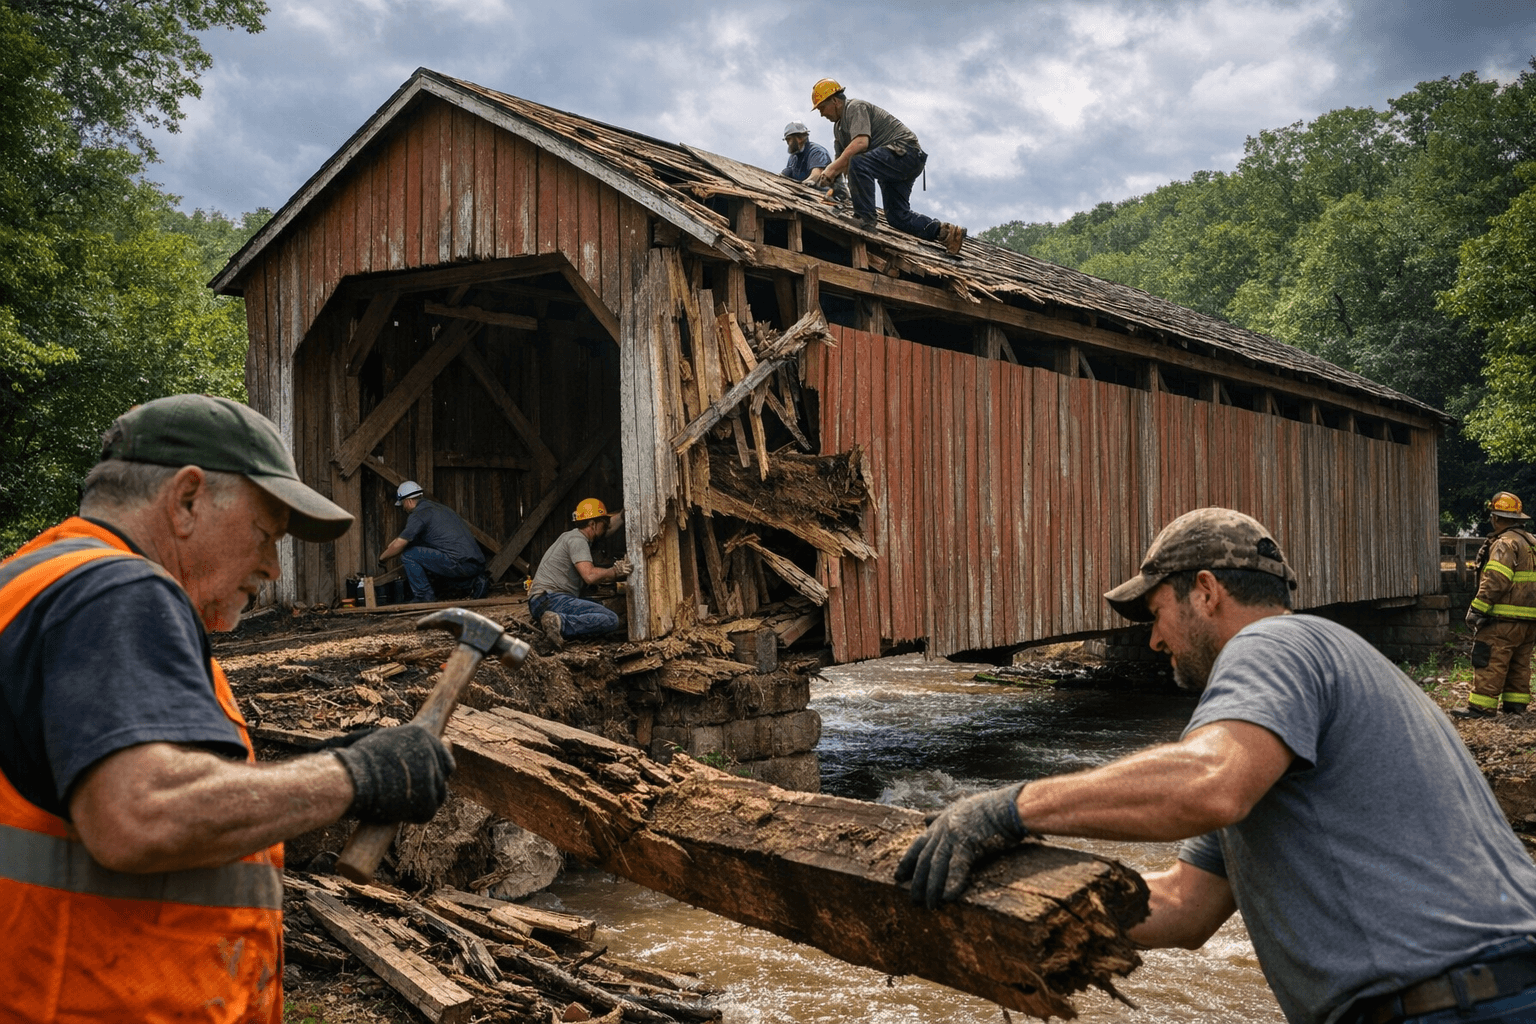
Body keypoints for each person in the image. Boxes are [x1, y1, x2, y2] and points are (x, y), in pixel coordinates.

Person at [898, 507, 1536, 1024]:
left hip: (1463, 1001)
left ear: (1205, 591)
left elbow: (1208, 784)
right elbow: (1186, 908)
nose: (1152, 639)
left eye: (1155, 614)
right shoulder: (1295, 710)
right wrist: (1017, 913)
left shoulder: (1274, 643)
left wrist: (1005, 810)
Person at [0, 394, 455, 1022]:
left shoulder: (34, 587)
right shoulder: (120, 590)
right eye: (264, 534)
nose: (271, 567)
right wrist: (354, 778)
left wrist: (313, 771)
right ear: (187, 500)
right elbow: (141, 813)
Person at [805, 77, 967, 256]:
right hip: (893, 163)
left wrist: (831, 170)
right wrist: (832, 185)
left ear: (835, 101)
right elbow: (841, 163)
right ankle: (945, 233)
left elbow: (860, 144)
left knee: (858, 161)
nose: (821, 114)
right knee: (897, 217)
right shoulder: (839, 129)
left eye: (822, 108)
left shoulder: (855, 108)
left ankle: (864, 218)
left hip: (906, 153)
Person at [1457, 491, 1536, 719]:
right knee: (1519, 664)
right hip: (1529, 621)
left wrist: (1478, 608)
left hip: (1503, 618)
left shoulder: (1505, 543)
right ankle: (1515, 706)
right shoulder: (1531, 542)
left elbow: (1496, 579)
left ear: (1497, 518)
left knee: (1490, 659)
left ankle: (1480, 707)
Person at [528, 497, 630, 647]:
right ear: (592, 524)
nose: (606, 528)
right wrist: (615, 572)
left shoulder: (573, 536)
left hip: (543, 600)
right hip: (551, 600)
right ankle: (559, 622)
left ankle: (555, 620)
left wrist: (622, 516)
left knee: (601, 608)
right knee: (610, 619)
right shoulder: (578, 541)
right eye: (603, 524)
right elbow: (589, 576)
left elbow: (608, 528)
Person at [378, 480, 489, 603]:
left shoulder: (419, 514)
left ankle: (423, 596)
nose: (403, 508)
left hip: (460, 563)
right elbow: (399, 540)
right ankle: (473, 583)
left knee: (409, 555)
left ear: (408, 500)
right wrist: (392, 547)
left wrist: (382, 559)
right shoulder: (439, 508)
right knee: (424, 557)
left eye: (403, 504)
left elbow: (399, 544)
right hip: (475, 565)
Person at [780, 120, 847, 204]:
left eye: (789, 139)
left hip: (829, 197)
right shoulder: (793, 157)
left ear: (799, 138)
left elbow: (816, 175)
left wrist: (803, 184)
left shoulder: (817, 152)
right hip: (808, 196)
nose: (788, 143)